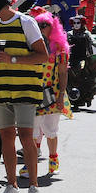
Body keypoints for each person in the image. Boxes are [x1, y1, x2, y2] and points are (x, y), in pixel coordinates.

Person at [0, 0, 50, 193]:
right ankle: (11, 186)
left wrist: (12, 60)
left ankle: (33, 187)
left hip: (25, 90)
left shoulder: (26, 23)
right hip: (0, 90)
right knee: (6, 137)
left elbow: (43, 56)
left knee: (26, 136)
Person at [32, 10, 70, 174]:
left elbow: (63, 73)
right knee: (32, 128)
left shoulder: (60, 49)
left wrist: (61, 95)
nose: (41, 28)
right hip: (33, 92)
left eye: (44, 25)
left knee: (51, 128)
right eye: (38, 25)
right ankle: (31, 162)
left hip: (53, 94)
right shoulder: (32, 46)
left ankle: (53, 159)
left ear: (52, 26)